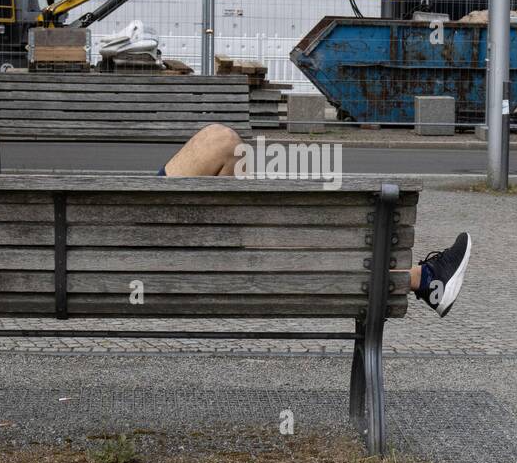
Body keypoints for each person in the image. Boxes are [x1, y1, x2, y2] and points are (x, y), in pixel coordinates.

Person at [158, 123, 472, 317]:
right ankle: (423, 278)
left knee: (267, 229)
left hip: (142, 259)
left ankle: (424, 278)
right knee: (219, 139)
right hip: (202, 258)